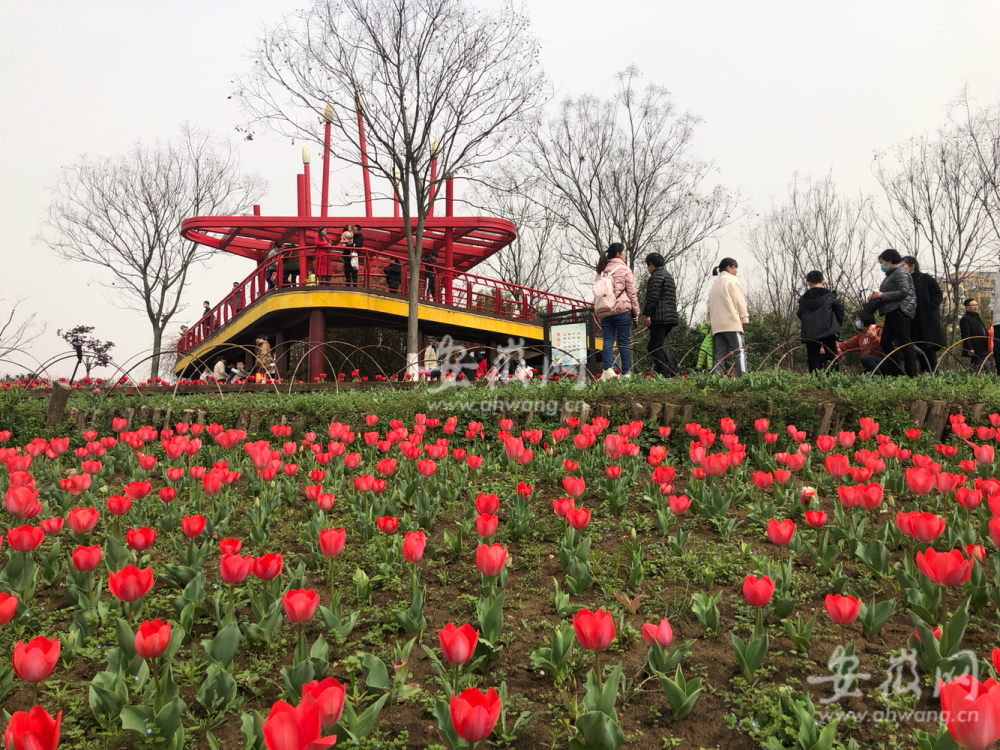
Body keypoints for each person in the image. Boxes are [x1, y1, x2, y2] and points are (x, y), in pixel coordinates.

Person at [868, 248, 917, 377]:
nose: (882, 266)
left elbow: (903, 291)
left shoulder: (901, 272)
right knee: (885, 342)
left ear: (889, 260)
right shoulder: (892, 274)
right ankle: (897, 371)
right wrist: (877, 296)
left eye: (882, 262)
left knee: (904, 342)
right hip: (892, 310)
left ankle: (912, 374)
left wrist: (882, 295)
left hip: (901, 310)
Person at [594, 243, 640, 380]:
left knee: (607, 339)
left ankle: (607, 370)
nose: (625, 255)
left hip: (605, 311)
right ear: (618, 254)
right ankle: (625, 373)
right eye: (624, 252)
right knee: (623, 342)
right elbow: (632, 293)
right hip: (621, 311)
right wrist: (636, 311)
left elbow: (597, 293)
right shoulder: (625, 270)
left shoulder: (601, 271)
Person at [706, 258, 750, 376]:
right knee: (739, 351)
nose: (736, 271)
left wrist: (710, 322)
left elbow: (709, 305)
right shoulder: (731, 280)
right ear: (728, 267)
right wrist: (744, 318)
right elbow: (739, 300)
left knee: (720, 354)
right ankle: (743, 378)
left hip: (717, 326)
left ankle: (716, 378)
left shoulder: (715, 284)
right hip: (731, 323)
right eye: (735, 268)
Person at [901, 256, 945, 372]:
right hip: (912, 319)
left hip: (926, 319)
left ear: (912, 266)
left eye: (903, 265)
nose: (901, 268)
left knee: (928, 347)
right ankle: (924, 374)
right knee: (917, 347)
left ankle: (933, 374)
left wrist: (930, 306)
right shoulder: (904, 282)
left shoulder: (924, 278)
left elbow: (937, 294)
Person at [797, 270, 845, 374]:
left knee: (813, 356)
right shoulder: (829, 296)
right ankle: (834, 378)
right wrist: (836, 324)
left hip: (810, 331)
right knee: (831, 354)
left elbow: (800, 314)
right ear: (823, 281)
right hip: (828, 329)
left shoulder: (803, 299)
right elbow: (840, 310)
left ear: (808, 282)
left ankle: (815, 380)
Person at [642, 252, 679, 377]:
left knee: (654, 347)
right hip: (670, 317)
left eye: (648, 266)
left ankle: (666, 373)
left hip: (659, 318)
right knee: (656, 345)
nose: (648, 269)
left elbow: (652, 297)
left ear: (651, 264)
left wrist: (647, 315)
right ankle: (669, 370)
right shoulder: (668, 276)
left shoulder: (656, 276)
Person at [960, 298, 991, 372]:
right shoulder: (965, 319)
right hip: (975, 348)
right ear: (966, 307)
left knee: (979, 367)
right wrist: (970, 348)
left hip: (983, 347)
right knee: (981, 367)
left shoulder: (976, 317)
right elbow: (965, 335)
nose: (975, 307)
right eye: (973, 305)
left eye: (976, 305)